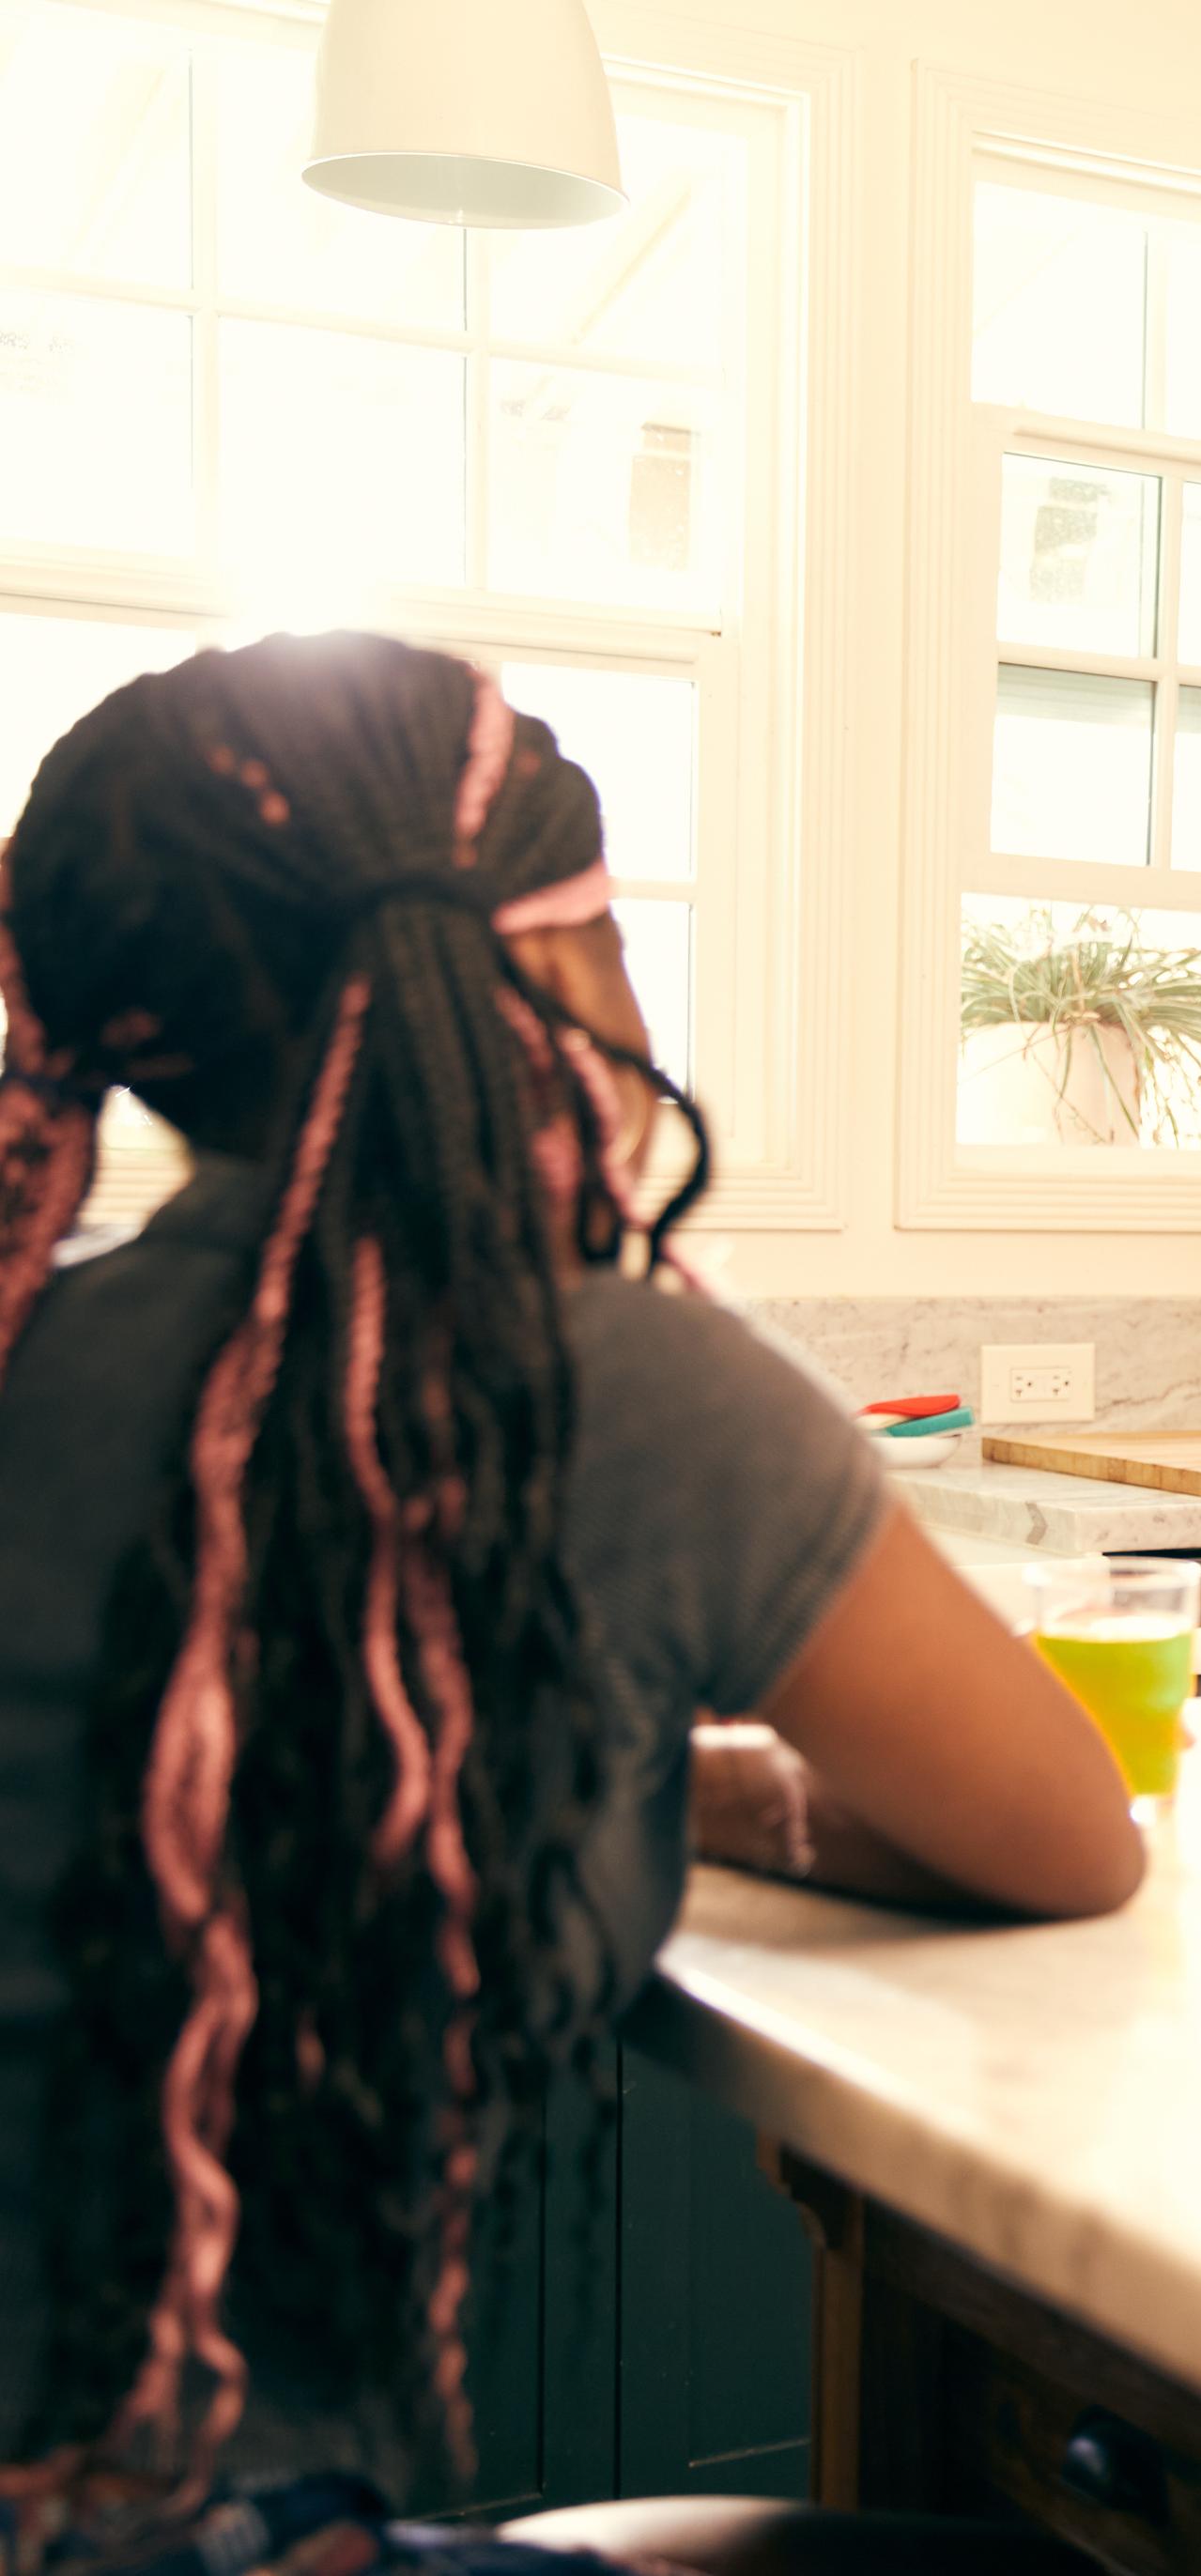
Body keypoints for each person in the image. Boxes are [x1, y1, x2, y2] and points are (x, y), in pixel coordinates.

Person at [0, 636, 1134, 2570]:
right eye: (610, 928)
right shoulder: (605, 1386)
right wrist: (722, 1780)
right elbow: (1065, 1837)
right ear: (522, 966)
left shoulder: (47, 1339)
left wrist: (617, 1759)